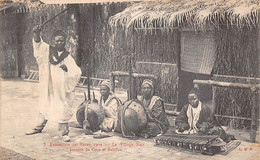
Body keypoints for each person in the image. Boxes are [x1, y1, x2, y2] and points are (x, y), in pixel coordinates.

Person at [25, 25, 82, 142]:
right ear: (53, 41)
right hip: (48, 86)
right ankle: (38, 127)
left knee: (62, 108)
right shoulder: (48, 51)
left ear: (65, 42)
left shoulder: (67, 57)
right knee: (45, 105)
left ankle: (64, 132)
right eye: (57, 40)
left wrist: (67, 70)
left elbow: (76, 72)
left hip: (61, 89)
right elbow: (38, 47)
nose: (59, 43)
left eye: (61, 40)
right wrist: (36, 34)